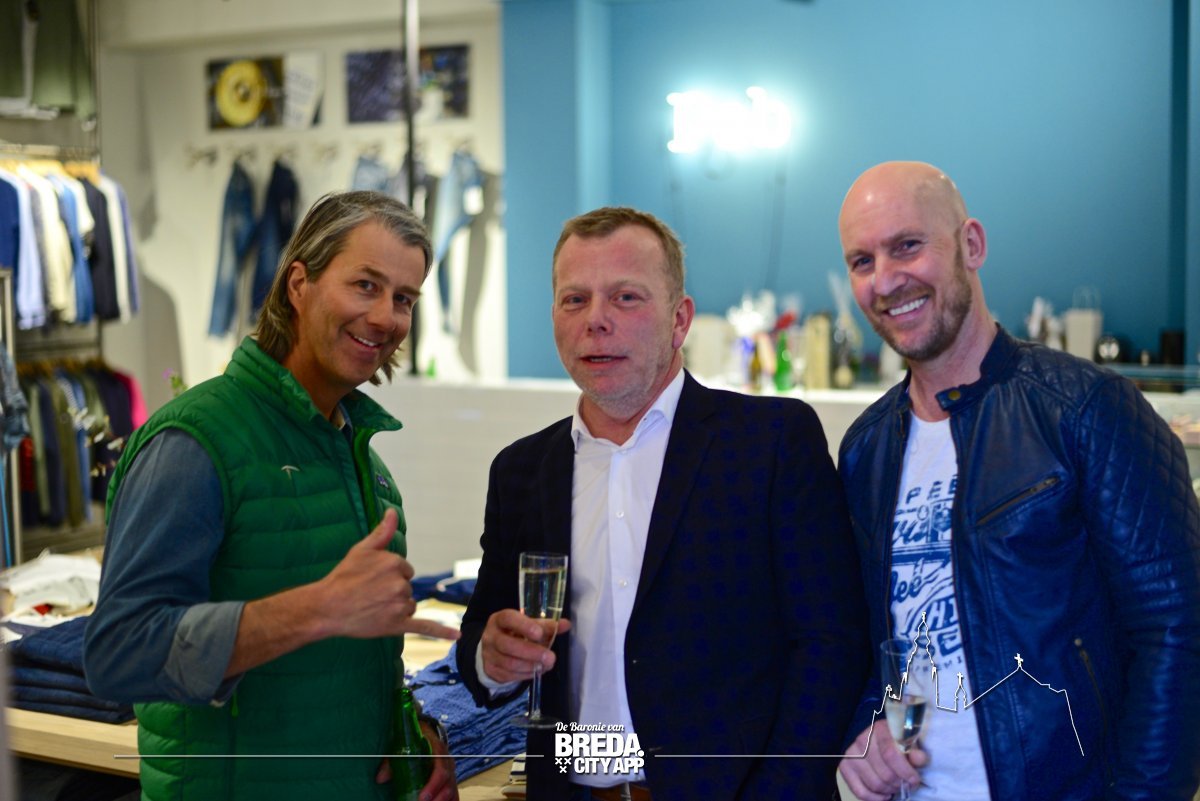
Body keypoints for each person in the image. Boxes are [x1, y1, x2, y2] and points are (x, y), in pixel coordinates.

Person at [457, 206, 869, 800]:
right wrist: (489, 660)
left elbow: (831, 645)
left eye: (625, 298)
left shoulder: (770, 443)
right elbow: (482, 638)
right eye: (574, 299)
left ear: (680, 320)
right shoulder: (520, 471)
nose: (596, 320)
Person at [834, 161, 1200, 801]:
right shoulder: (866, 450)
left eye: (908, 246)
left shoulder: (1083, 409)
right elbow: (881, 642)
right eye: (862, 261)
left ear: (971, 245)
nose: (885, 280)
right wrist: (868, 727)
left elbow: (1178, 630)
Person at [84, 191, 461, 801]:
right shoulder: (195, 440)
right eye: (365, 285)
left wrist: (413, 726)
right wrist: (317, 608)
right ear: (299, 285)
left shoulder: (359, 458)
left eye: (404, 298)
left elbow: (344, 661)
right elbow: (118, 654)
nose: (386, 317)